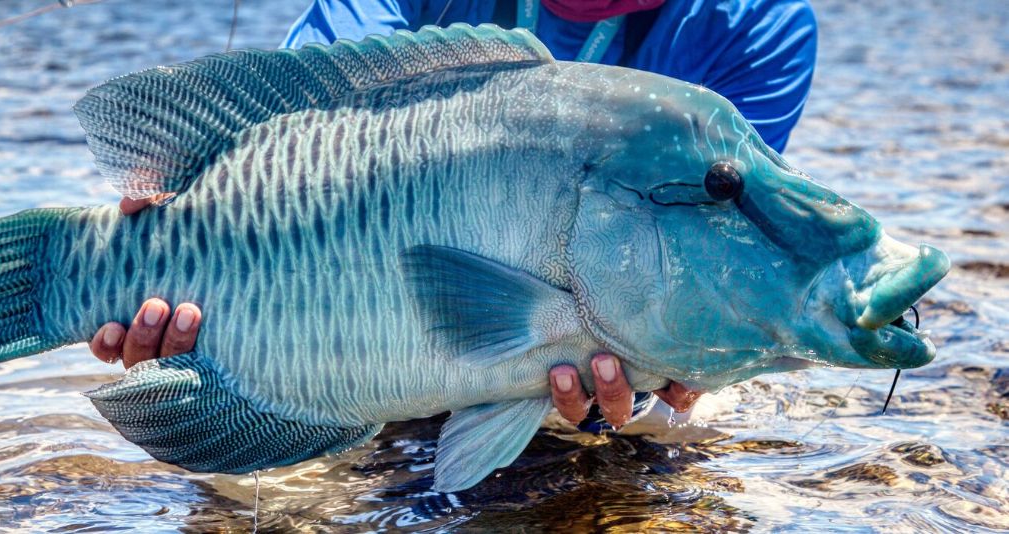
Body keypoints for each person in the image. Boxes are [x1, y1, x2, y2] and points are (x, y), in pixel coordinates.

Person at [88, 0, 817, 430]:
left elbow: (721, 256)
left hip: (596, 367)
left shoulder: (757, 24)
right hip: (352, 337)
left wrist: (694, 359)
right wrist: (166, 224)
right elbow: (288, 133)